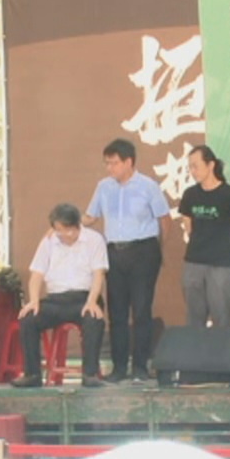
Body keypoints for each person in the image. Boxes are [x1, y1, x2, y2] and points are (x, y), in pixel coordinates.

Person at [84, 138, 169, 382]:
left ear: (129, 162)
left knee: (141, 310)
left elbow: (164, 219)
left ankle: (140, 366)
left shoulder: (148, 186)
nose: (109, 168)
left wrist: (158, 250)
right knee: (117, 312)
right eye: (107, 163)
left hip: (143, 251)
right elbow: (90, 217)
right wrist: (64, 226)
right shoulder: (103, 187)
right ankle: (119, 367)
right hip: (114, 252)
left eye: (114, 163)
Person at [11, 204, 110, 388]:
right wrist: (33, 301)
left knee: (93, 319)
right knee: (28, 319)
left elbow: (99, 274)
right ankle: (32, 374)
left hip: (84, 297)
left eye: (69, 230)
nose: (65, 234)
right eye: (59, 230)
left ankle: (90, 374)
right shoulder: (49, 241)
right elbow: (37, 275)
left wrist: (91, 301)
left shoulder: (94, 240)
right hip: (55, 300)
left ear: (78, 225)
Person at [177, 144, 230, 329]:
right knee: (194, 317)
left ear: (211, 165)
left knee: (221, 316)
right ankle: (196, 348)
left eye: (196, 166)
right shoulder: (190, 194)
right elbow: (188, 225)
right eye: (190, 167)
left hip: (220, 265)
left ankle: (221, 349)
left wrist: (227, 249)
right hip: (193, 262)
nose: (193, 171)